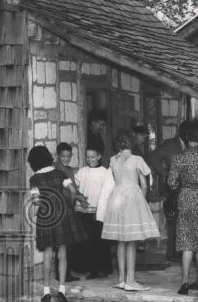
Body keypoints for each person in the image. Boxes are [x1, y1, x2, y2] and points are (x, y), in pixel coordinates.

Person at [98, 132, 159, 291]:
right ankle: (131, 280)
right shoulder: (137, 159)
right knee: (132, 240)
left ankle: (121, 279)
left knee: (121, 240)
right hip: (132, 196)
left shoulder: (113, 159)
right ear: (132, 143)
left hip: (117, 196)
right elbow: (144, 185)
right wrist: (141, 201)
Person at [28, 144, 88, 302]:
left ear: (33, 162)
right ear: (48, 157)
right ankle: (61, 290)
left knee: (48, 252)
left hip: (47, 215)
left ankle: (46, 292)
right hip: (63, 212)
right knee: (62, 251)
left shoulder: (34, 179)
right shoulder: (59, 172)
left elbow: (36, 201)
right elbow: (73, 191)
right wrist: (69, 204)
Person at [168, 124, 198, 295]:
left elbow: (172, 183)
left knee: (186, 244)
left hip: (186, 198)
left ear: (187, 139)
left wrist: (182, 185)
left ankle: (185, 283)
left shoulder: (179, 158)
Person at [148, 121, 190, 262]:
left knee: (183, 220)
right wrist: (165, 173)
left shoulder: (191, 145)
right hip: (172, 188)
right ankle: (172, 253)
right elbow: (153, 157)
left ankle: (181, 252)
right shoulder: (170, 144)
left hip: (186, 187)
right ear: (182, 133)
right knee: (172, 220)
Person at [73, 148, 114, 278]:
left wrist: (102, 209)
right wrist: (79, 197)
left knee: (99, 240)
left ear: (99, 156)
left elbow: (108, 192)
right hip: (83, 209)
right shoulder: (82, 171)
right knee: (85, 240)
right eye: (87, 157)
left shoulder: (105, 173)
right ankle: (84, 267)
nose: (89, 160)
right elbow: (75, 187)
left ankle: (99, 270)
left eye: (92, 157)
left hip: (98, 211)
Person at [53, 143, 82, 281]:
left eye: (68, 156)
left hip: (69, 207)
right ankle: (62, 275)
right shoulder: (55, 169)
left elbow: (74, 189)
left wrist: (80, 197)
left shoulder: (69, 170)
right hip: (60, 208)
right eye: (63, 156)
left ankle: (67, 272)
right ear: (57, 156)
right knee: (61, 243)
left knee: (68, 243)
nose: (66, 159)